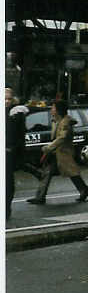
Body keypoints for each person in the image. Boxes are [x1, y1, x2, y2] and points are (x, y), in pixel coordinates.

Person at [27, 100, 88, 204]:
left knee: (72, 173)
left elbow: (62, 138)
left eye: (53, 108)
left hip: (64, 153)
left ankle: (84, 190)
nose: (51, 110)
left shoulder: (65, 122)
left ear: (58, 110)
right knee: (48, 173)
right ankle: (40, 196)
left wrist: (49, 147)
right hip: (56, 153)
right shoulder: (57, 120)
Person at [6, 88, 28, 217]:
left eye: (9, 99)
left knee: (8, 183)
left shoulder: (16, 114)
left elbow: (19, 135)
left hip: (8, 153)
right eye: (4, 99)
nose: (7, 101)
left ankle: (6, 209)